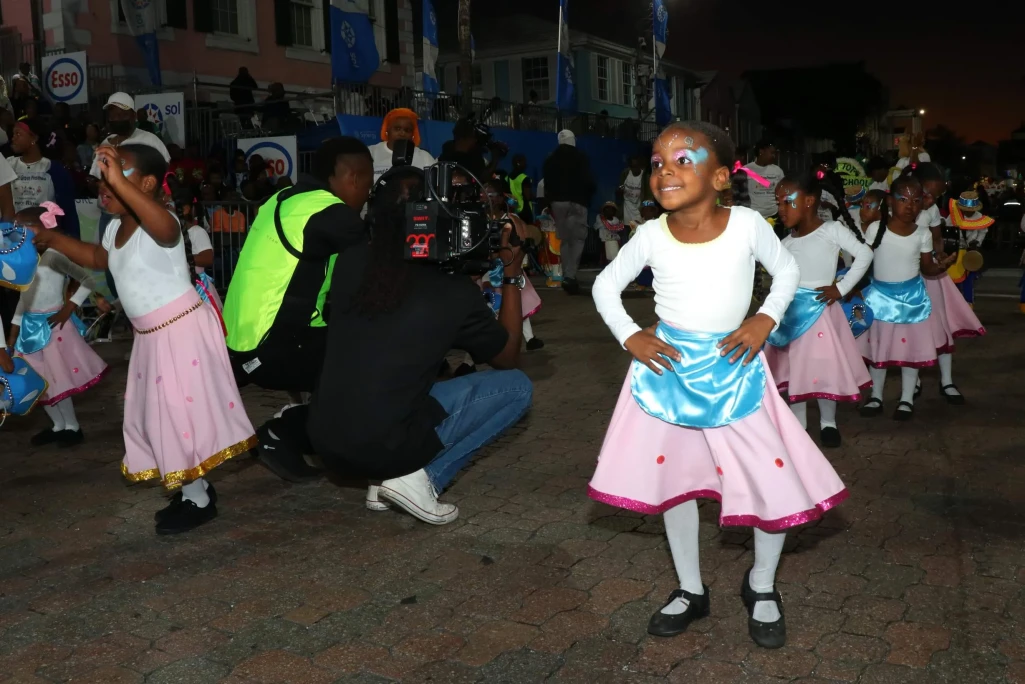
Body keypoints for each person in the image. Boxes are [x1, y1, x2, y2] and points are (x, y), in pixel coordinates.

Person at [590, 121, 846, 649]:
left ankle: (762, 583)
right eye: (659, 162)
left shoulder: (748, 224)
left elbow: (787, 272)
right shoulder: (650, 234)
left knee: (771, 479)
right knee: (675, 484)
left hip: (735, 371)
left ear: (723, 177)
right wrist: (630, 336)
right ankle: (689, 587)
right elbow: (603, 285)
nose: (666, 171)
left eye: (685, 160)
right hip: (667, 375)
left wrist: (765, 319)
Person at [256, 167, 533, 524]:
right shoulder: (453, 292)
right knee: (517, 388)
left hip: (326, 442)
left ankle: (381, 483)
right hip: (379, 446)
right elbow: (509, 356)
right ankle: (417, 479)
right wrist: (512, 270)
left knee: (405, 373)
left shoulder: (352, 262)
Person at [31, 144, 256, 535]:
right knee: (163, 418)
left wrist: (117, 178)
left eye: (117, 178)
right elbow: (99, 259)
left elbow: (169, 233)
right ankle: (194, 489)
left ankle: (198, 501)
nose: (105, 187)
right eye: (103, 181)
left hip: (180, 332)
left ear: (148, 184)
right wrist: (51, 239)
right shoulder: (118, 227)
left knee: (175, 415)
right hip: (152, 337)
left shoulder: (161, 220)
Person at [222, 137, 373, 393]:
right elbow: (381, 269)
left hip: (236, 345)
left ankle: (305, 420)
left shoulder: (281, 198)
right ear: (355, 178)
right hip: (269, 350)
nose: (367, 195)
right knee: (377, 358)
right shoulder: (330, 211)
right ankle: (318, 428)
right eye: (368, 187)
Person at [763, 172, 873, 448]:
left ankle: (828, 422)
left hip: (822, 312)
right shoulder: (785, 244)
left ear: (810, 201)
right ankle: (798, 424)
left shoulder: (831, 230)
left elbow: (865, 254)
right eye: (778, 203)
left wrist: (842, 287)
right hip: (791, 316)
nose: (782, 209)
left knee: (824, 368)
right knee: (795, 369)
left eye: (788, 202)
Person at [6, 203, 108, 447]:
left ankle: (72, 426)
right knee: (37, 380)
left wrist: (67, 309)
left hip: (53, 326)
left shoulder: (54, 256)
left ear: (41, 228)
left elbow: (87, 280)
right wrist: (13, 333)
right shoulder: (23, 262)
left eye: (23, 227)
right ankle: (57, 425)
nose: (17, 232)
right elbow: (24, 299)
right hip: (28, 329)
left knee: (57, 379)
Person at [857, 175, 957, 421]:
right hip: (880, 298)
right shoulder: (876, 229)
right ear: (890, 200)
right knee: (879, 349)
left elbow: (927, 269)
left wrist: (942, 266)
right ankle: (876, 396)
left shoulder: (922, 234)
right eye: (903, 199)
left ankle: (906, 399)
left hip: (912, 299)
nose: (910, 205)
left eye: (916, 200)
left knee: (909, 352)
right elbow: (863, 260)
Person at [912, 165, 985, 404]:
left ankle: (947, 380)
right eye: (927, 194)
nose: (931, 200)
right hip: (905, 273)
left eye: (936, 196)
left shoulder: (931, 209)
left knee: (940, 323)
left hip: (931, 270)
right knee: (911, 327)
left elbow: (936, 237)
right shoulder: (896, 207)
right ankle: (912, 380)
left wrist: (941, 255)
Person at [543, 130, 595, 295]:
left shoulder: (550, 159)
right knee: (578, 239)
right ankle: (570, 276)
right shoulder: (581, 156)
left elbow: (547, 183)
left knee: (565, 240)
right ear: (573, 140)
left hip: (558, 203)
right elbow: (588, 180)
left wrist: (551, 201)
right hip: (578, 201)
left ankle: (567, 274)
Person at [6, 118, 79, 237]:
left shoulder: (53, 169)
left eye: (18, 134)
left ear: (34, 138)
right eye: (13, 134)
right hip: (13, 234)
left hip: (45, 235)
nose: (13, 138)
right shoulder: (8, 165)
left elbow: (68, 211)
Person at [944, 191, 992, 306]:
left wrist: (977, 242)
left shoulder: (980, 217)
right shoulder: (953, 216)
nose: (969, 213)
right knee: (952, 279)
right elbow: (947, 232)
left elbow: (983, 231)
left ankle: (968, 304)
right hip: (956, 251)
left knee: (968, 280)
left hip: (971, 253)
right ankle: (952, 304)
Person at [367, 108, 436, 181]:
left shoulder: (425, 157)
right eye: (397, 129)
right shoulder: (371, 152)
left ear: (413, 134)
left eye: (407, 130)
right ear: (387, 130)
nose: (402, 133)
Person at [745, 140, 785, 220]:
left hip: (774, 215)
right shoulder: (746, 170)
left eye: (774, 153)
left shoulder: (777, 170)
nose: (774, 156)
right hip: (754, 216)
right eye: (771, 153)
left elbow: (784, 190)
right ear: (761, 151)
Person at [617, 154, 652, 227]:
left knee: (639, 231)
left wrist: (646, 211)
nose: (634, 168)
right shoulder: (625, 174)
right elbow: (620, 186)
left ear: (640, 166)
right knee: (626, 231)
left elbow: (649, 196)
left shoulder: (645, 177)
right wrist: (620, 190)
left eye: (636, 166)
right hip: (626, 209)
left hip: (639, 210)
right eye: (632, 166)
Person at [508, 154, 534, 224]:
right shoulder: (525, 178)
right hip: (525, 210)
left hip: (512, 208)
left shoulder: (507, 177)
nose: (526, 164)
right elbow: (528, 196)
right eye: (524, 162)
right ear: (518, 163)